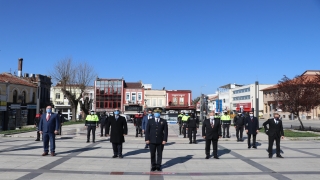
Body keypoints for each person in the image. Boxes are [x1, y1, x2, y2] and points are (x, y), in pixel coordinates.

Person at [145, 107, 168, 171]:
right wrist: (147, 139)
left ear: (160, 113)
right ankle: (153, 165)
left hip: (160, 140)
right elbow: (147, 131)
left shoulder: (163, 121)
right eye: (156, 112)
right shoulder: (150, 121)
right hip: (151, 140)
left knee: (159, 154)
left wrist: (164, 140)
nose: (157, 114)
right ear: (154, 113)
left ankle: (158, 165)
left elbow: (166, 132)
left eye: (158, 112)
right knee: (152, 153)